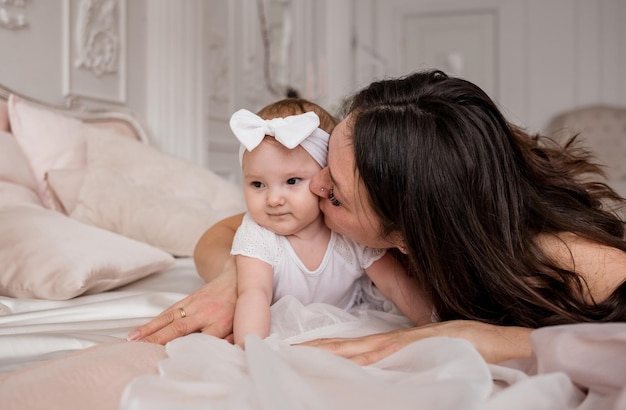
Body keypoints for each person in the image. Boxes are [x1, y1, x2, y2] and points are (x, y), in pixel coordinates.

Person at [128, 69, 626, 365]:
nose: (316, 188)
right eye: (324, 168)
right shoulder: (406, 145)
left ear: (405, 238)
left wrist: (498, 338)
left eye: (336, 196)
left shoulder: (566, 260)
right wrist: (238, 275)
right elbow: (222, 232)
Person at [228, 99, 430, 347]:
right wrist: (252, 349)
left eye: (292, 181)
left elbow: (396, 286)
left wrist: (433, 326)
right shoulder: (258, 234)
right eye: (257, 184)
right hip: (283, 330)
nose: (273, 199)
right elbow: (253, 294)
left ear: (327, 174)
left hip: (351, 323)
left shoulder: (348, 231)